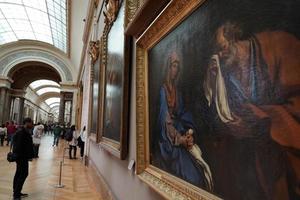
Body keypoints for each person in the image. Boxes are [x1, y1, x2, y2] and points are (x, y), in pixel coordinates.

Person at [204, 22, 300, 199]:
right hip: (258, 166)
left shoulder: (280, 45)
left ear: (233, 39)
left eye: (222, 48)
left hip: (286, 157)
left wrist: (260, 119)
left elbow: (296, 105)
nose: (219, 55)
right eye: (216, 52)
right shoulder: (227, 71)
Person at [158, 51, 212, 190]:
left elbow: (183, 113)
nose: (175, 70)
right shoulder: (162, 91)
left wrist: (189, 132)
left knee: (200, 167)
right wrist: (180, 139)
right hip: (168, 142)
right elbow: (164, 122)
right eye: (173, 65)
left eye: (177, 66)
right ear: (167, 67)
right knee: (191, 176)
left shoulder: (178, 92)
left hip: (180, 133)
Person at [12, 118, 34, 200]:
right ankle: (16, 195)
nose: (32, 125)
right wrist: (25, 156)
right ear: (27, 123)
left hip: (22, 157)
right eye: (31, 123)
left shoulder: (23, 131)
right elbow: (18, 146)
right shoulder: (22, 132)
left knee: (19, 173)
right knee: (23, 174)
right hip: (21, 157)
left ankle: (16, 191)